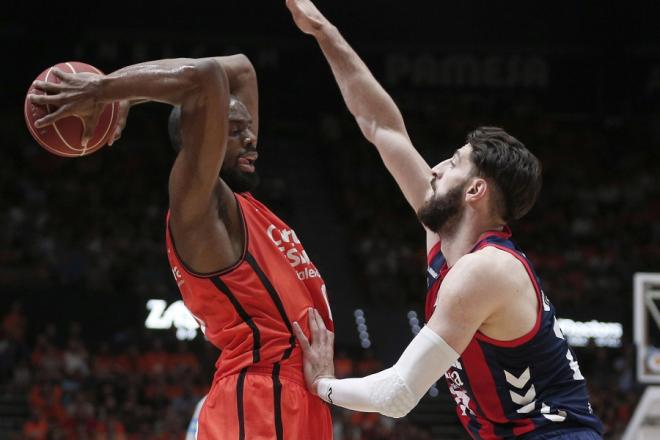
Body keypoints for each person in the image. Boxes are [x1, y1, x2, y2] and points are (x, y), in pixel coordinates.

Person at [285, 0, 604, 438]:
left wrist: (323, 384)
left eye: (452, 163)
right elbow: (380, 126)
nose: (434, 168)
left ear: (475, 191)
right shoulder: (447, 237)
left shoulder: (487, 269)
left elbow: (398, 393)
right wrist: (324, 31)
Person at [28, 54, 333, 439]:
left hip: (300, 392)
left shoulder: (245, 205)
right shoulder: (200, 204)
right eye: (235, 129)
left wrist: (125, 97)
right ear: (203, 137)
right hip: (259, 394)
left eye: (247, 128)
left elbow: (240, 68)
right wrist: (105, 90)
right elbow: (205, 78)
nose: (251, 137)